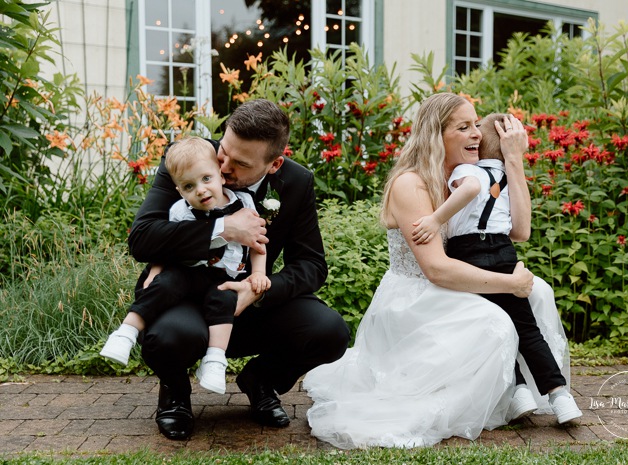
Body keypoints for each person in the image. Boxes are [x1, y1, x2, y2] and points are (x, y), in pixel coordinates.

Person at [303, 93, 571, 449]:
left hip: (455, 282)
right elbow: (436, 269)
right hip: (418, 295)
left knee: (540, 291)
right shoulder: (411, 184)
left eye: (476, 124)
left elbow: (520, 232)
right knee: (498, 319)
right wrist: (510, 283)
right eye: (464, 127)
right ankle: (495, 394)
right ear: (435, 135)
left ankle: (524, 390)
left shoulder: (468, 177)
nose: (477, 134)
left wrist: (514, 160)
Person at [127, 99, 350, 440]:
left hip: (247, 304)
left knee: (329, 331)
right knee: (168, 337)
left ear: (274, 164)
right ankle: (174, 393)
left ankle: (260, 380)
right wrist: (223, 231)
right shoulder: (189, 159)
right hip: (187, 297)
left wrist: (258, 290)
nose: (224, 166)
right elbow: (142, 238)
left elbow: (311, 265)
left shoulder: (297, 182)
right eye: (224, 151)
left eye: (240, 163)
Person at [411, 113, 582, 424]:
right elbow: (519, 232)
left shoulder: (468, 170)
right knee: (527, 330)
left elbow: (470, 189)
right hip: (504, 250)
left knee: (494, 324)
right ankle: (560, 397)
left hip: (469, 252)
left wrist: (435, 220)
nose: (472, 134)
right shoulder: (504, 176)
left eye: (476, 129)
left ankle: (518, 392)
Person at [100, 137, 270, 395]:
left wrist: (258, 274)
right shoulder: (180, 210)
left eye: (206, 179)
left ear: (221, 176)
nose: (200, 190)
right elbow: (167, 245)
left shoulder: (243, 203)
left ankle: (214, 360)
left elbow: (258, 241)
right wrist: (156, 272)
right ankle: (125, 333)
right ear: (179, 190)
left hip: (222, 277)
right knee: (165, 284)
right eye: (189, 186)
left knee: (224, 299)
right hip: (187, 272)